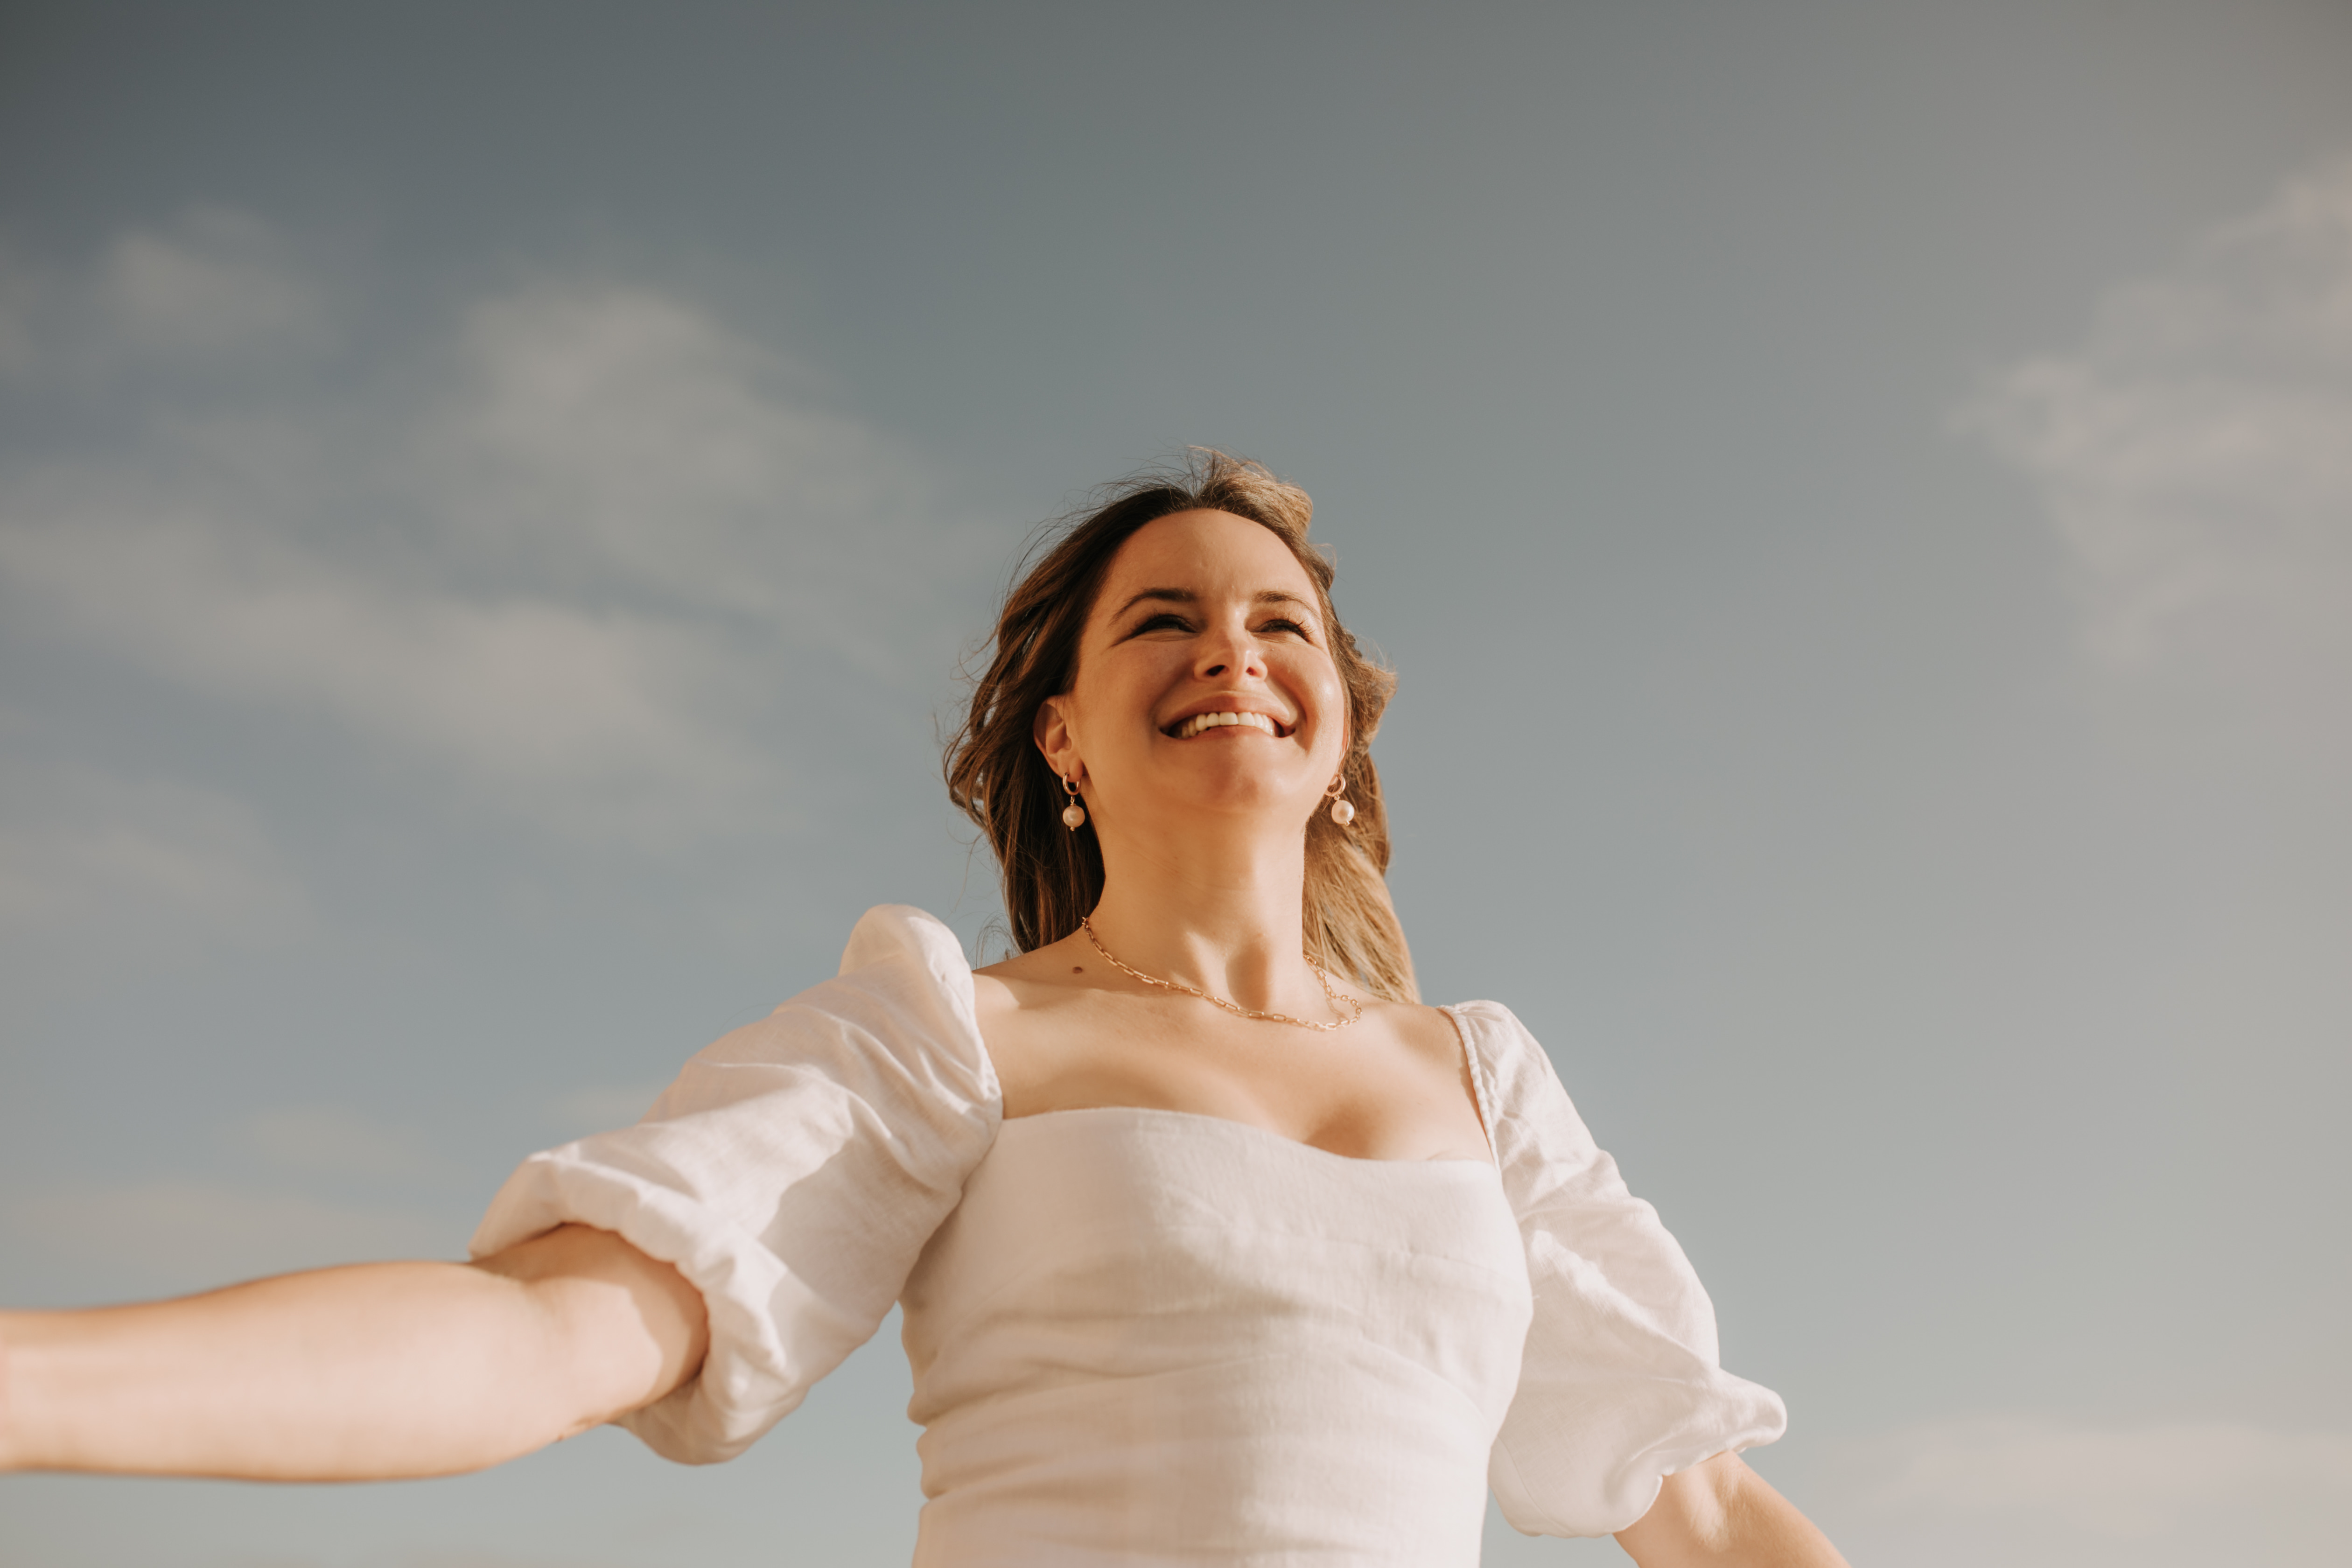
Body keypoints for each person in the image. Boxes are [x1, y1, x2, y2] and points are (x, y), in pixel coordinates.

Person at [0, 453, 1849, 1566]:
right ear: (1058, 737)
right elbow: (548, 1336)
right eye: (1162, 618)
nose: (1233, 648)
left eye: (1281, 621)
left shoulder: (1486, 1076)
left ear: (1342, 732)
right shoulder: (952, 1035)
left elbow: (1703, 1516)